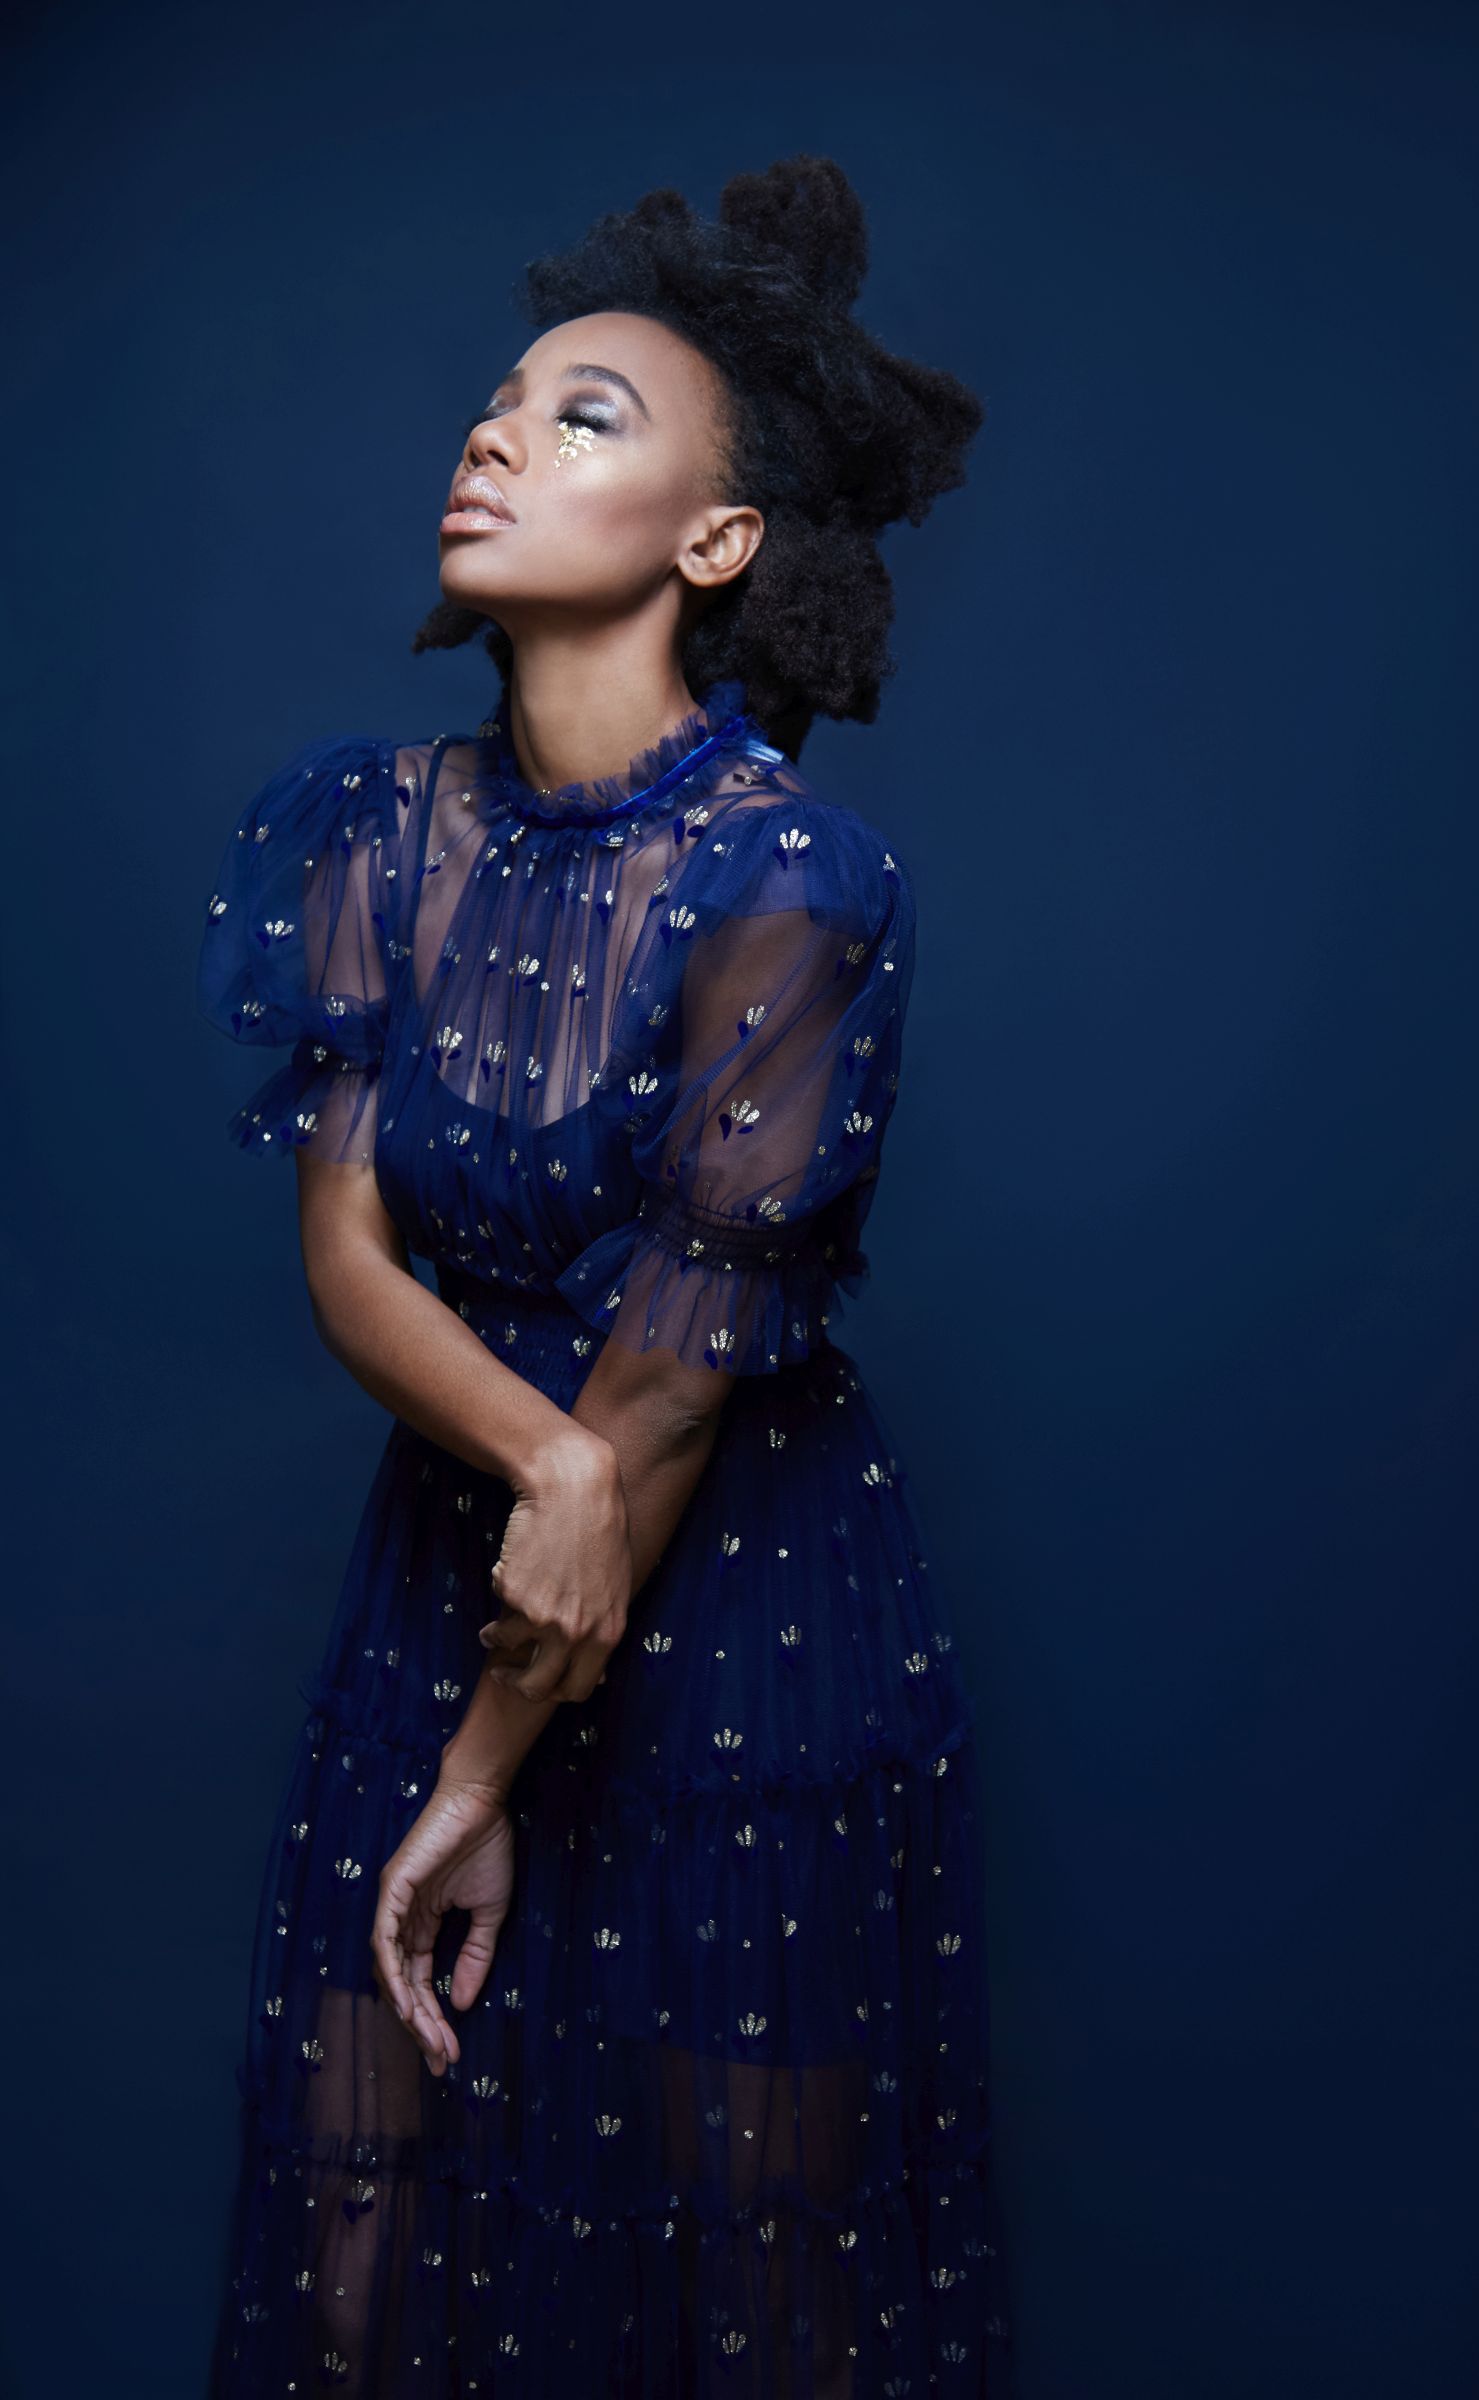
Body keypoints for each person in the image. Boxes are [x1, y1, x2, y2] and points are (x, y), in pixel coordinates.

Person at [197, 152, 1014, 2398]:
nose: (490, 433)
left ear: (714, 539)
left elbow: (669, 1389)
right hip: (447, 1575)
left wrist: (493, 1749)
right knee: (367, 2215)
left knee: (751, 2260)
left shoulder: (798, 878)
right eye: (493, 402)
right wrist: (536, 1464)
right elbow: (346, 1256)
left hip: (746, 1634)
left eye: (577, 416)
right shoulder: (368, 829)